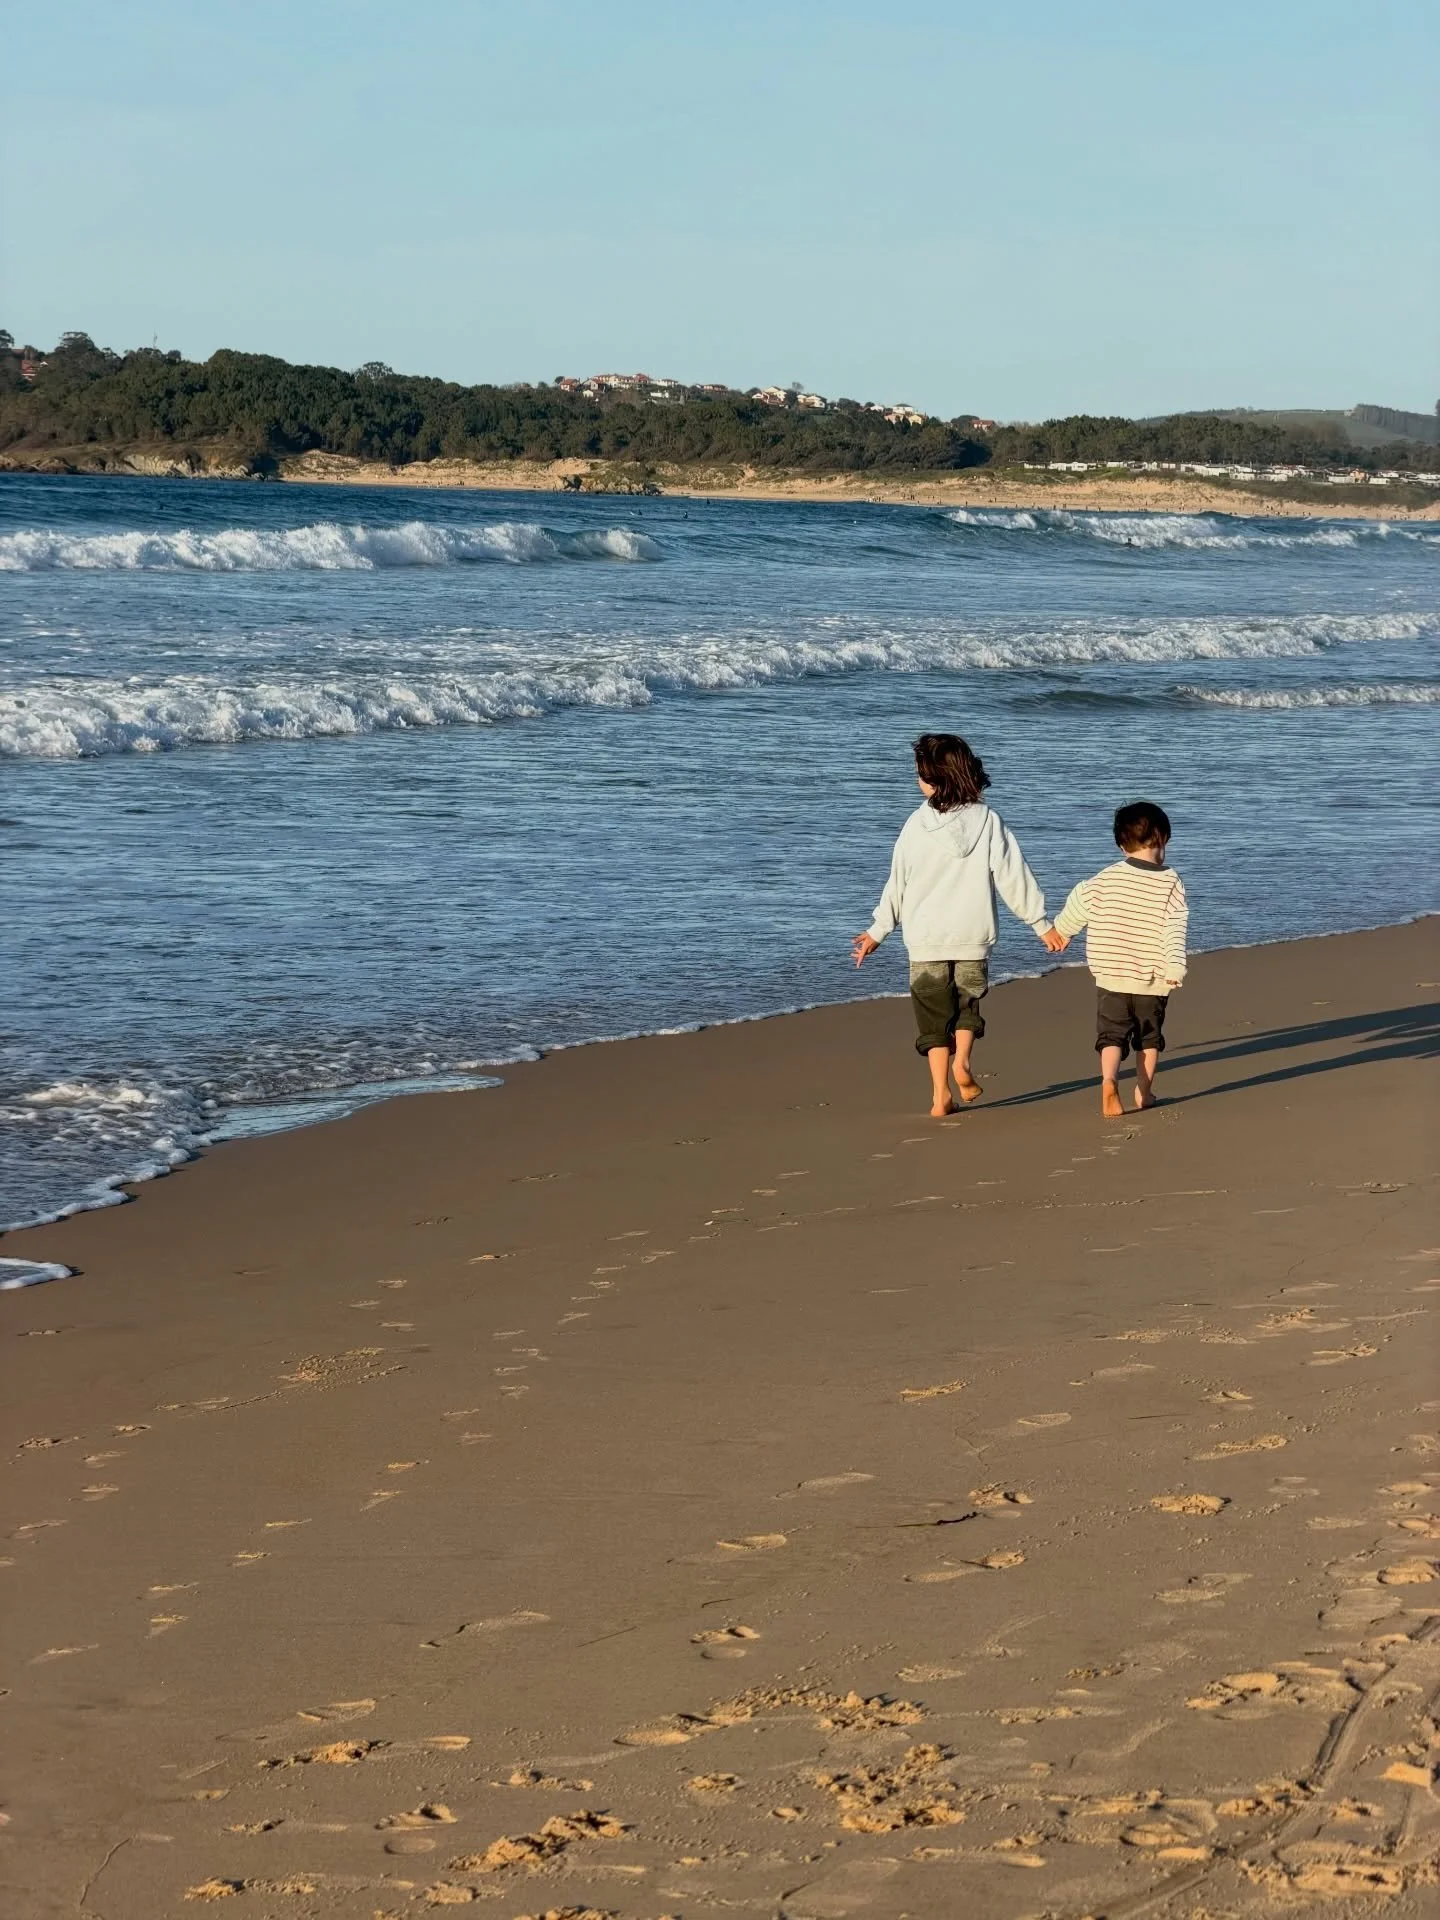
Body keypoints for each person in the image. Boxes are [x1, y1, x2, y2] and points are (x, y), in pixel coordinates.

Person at [853, 733, 1065, 1117]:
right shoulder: (988, 821)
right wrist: (1040, 922)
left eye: (920, 774)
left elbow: (897, 883)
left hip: (926, 939)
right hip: (973, 936)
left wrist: (877, 931)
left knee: (933, 1019)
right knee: (968, 1006)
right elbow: (1012, 875)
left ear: (934, 780)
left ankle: (940, 1095)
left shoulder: (916, 826)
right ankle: (963, 1061)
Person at [1052, 801, 1188, 1116]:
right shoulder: (1170, 882)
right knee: (1148, 1038)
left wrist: (1062, 931)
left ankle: (1109, 1080)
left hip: (1110, 974)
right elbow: (1174, 929)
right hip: (1151, 980)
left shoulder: (1104, 878)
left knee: (1111, 1034)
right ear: (1162, 838)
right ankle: (1144, 1092)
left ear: (1120, 844)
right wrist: (1174, 966)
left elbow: (1079, 901)